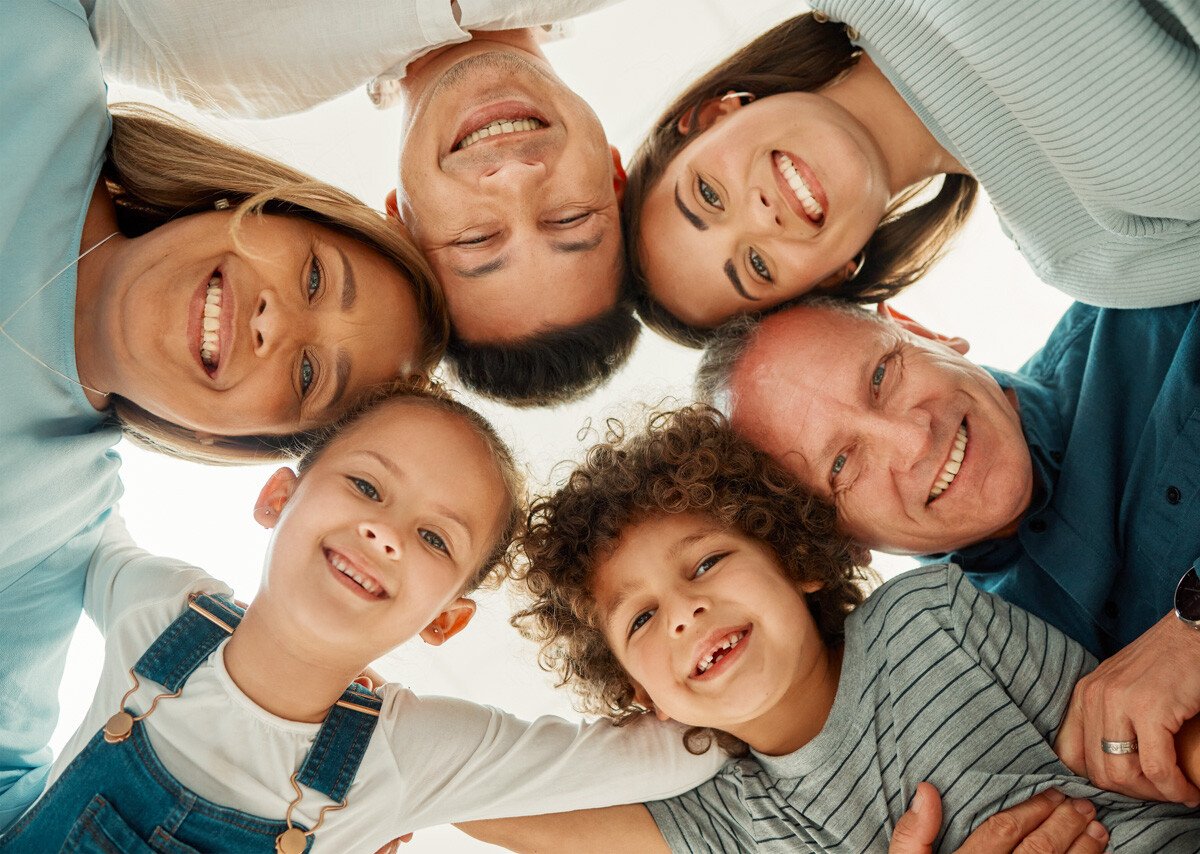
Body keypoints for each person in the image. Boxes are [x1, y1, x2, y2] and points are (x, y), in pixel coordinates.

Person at [1, 0, 444, 829]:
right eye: (316, 279)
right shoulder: (43, 49)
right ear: (260, 206)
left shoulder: (54, 525)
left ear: (234, 438)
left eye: (310, 375)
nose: (279, 323)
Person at [0, 386, 726, 850]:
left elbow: (665, 757)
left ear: (445, 621)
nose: (387, 534)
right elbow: (70, 503)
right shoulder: (158, 609)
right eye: (366, 485)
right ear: (277, 498)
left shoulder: (416, 752)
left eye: (436, 539)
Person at [498, 405, 1200, 851]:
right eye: (642, 618)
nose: (684, 612)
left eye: (708, 562)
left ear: (797, 562)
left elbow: (1153, 743)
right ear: (643, 693)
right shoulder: (728, 819)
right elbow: (455, 786)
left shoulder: (931, 618)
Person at [694, 296, 1200, 806]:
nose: (913, 439)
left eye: (880, 378)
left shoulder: (1156, 298)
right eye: (843, 464)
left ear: (925, 331)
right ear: (838, 546)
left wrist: (1191, 629)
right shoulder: (961, 688)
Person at [90, 0, 642, 405]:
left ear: (397, 221)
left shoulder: (213, 59)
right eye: (567, 218)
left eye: (477, 238)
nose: (515, 176)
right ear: (615, 175)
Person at [621, 5, 1200, 345]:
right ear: (830, 281)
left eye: (706, 193)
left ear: (713, 112)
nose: (761, 215)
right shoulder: (1090, 255)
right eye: (756, 265)